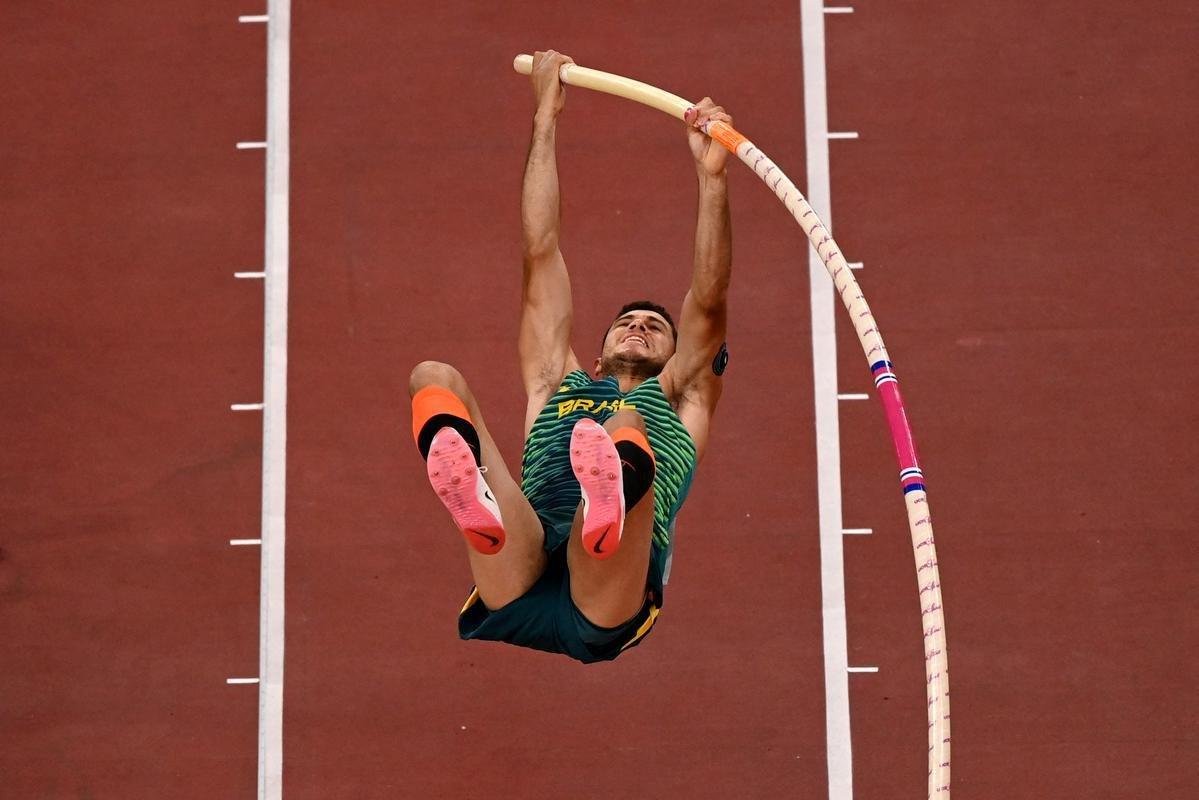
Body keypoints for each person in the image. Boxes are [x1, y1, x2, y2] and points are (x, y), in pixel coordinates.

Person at [408, 50, 732, 663]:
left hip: (607, 596)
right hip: (524, 556)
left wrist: (712, 180)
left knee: (624, 424)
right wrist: (545, 117)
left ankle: (604, 507)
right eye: (626, 322)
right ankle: (474, 497)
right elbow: (541, 249)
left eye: (655, 326)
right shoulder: (556, 380)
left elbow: (709, 304)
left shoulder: (681, 394)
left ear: (675, 357)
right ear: (601, 352)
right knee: (434, 377)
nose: (638, 327)